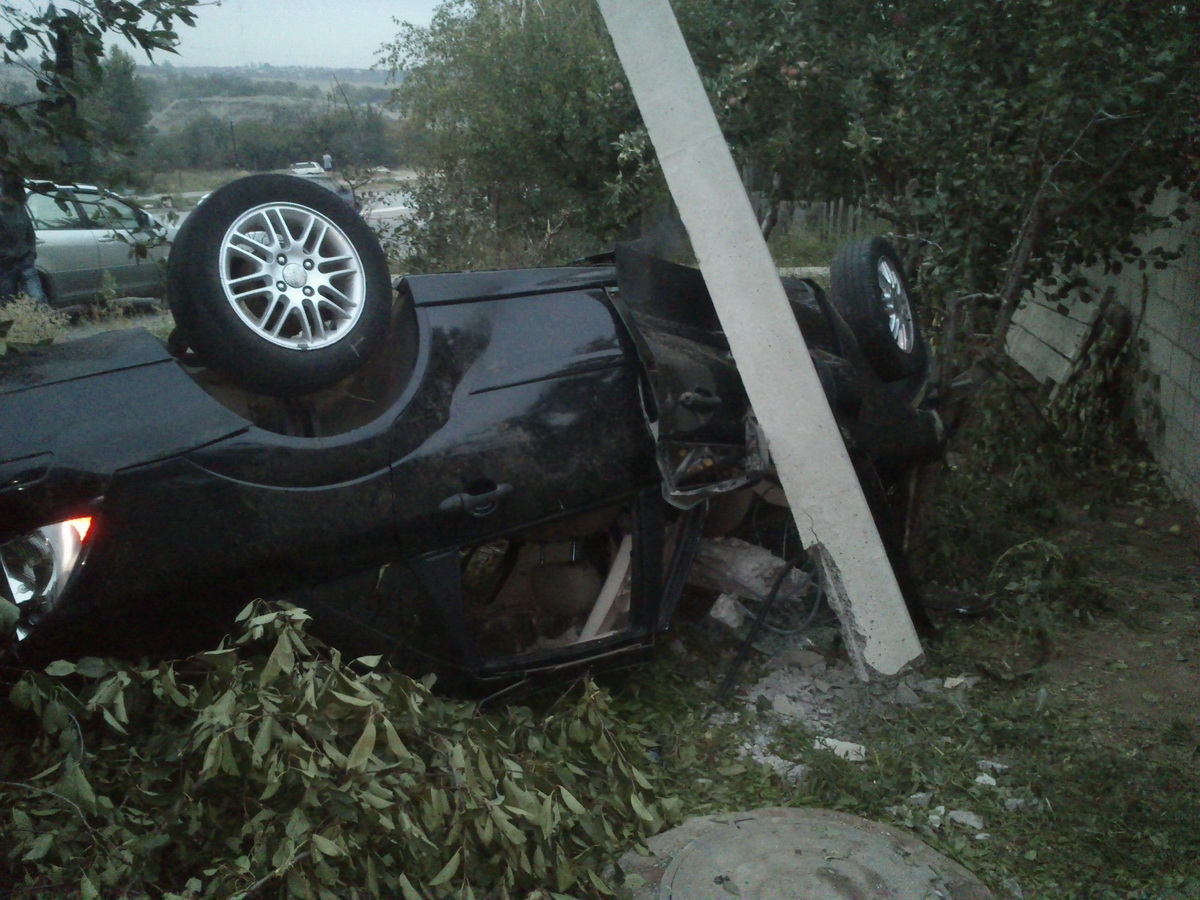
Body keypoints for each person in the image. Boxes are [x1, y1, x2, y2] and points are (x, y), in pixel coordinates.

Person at [0, 170, 49, 304]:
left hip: (24, 261)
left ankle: (41, 317)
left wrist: (30, 256)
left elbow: (30, 234)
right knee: (6, 303)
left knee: (38, 299)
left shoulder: (19, 208)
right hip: (4, 266)